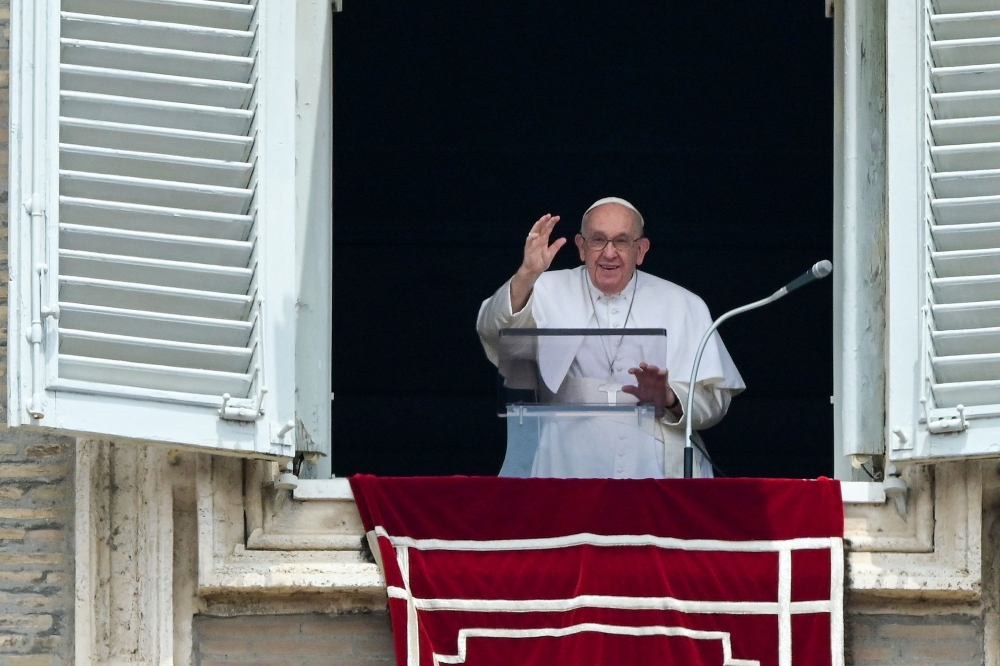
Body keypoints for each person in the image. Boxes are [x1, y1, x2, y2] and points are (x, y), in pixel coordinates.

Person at [477, 197, 745, 478]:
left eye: (621, 241)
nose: (609, 253)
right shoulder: (542, 288)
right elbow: (493, 332)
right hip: (562, 464)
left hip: (655, 470)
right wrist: (527, 273)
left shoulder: (684, 304)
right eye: (598, 240)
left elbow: (714, 403)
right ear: (581, 247)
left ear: (641, 250)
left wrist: (669, 397)